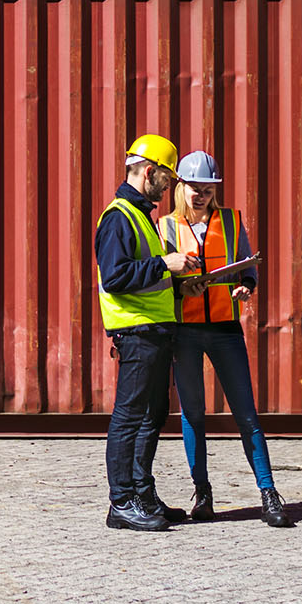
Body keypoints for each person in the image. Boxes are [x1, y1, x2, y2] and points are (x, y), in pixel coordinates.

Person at [160, 150, 295, 528]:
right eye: (193, 188)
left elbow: (246, 266)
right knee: (193, 415)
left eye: (207, 188)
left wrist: (246, 286)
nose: (200, 194)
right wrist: (179, 287)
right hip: (184, 330)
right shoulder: (164, 227)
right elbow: (159, 281)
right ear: (179, 187)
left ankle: (268, 494)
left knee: (247, 415)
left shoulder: (233, 222)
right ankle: (202, 494)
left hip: (225, 329)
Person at [94, 133, 202, 530]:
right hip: (136, 333)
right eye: (168, 179)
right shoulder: (119, 216)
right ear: (150, 172)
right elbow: (117, 276)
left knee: (151, 416)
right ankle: (121, 502)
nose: (169, 187)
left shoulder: (141, 216)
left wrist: (179, 282)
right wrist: (165, 265)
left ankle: (141, 492)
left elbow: (146, 276)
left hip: (155, 332)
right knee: (129, 416)